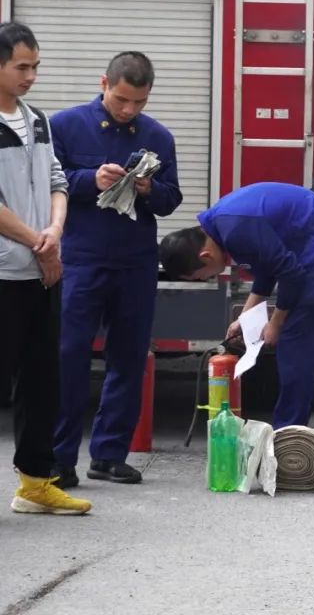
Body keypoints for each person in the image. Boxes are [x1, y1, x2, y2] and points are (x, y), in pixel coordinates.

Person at [49, 51, 182, 489]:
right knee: (68, 358)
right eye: (122, 99)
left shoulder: (158, 136)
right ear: (104, 83)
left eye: (139, 102)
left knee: (128, 359)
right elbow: (49, 182)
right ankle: (58, 459)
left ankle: (109, 455)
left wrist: (148, 188)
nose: (128, 110)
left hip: (135, 262)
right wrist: (91, 179)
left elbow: (171, 199)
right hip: (81, 259)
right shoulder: (65, 125)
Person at [159, 182, 314, 429]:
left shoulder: (236, 231)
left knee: (296, 345)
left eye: (201, 276)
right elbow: (268, 266)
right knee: (294, 344)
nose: (207, 278)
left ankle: (288, 434)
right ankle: (290, 430)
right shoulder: (222, 224)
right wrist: (244, 317)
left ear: (205, 256)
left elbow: (290, 274)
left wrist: (276, 324)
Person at [0, 21, 90, 514]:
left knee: (41, 382)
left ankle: (35, 484)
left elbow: (58, 179)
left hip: (41, 270)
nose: (31, 76)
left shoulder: (37, 119)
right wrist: (39, 241)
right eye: (22, 67)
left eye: (36, 66)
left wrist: (54, 231)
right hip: (6, 271)